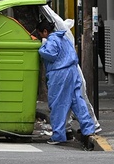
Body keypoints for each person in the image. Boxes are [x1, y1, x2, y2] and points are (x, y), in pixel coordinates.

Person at [36, 18, 95, 150]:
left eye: (40, 34)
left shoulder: (51, 40)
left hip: (59, 73)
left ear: (45, 31)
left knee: (58, 104)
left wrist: (41, 49)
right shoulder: (64, 37)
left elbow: (50, 54)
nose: (41, 37)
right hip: (72, 71)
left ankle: (58, 135)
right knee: (77, 101)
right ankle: (88, 127)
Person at [97, 15, 108, 82]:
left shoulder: (103, 28)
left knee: (104, 61)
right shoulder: (100, 28)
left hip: (102, 47)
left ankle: (106, 75)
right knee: (103, 61)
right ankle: (106, 75)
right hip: (100, 47)